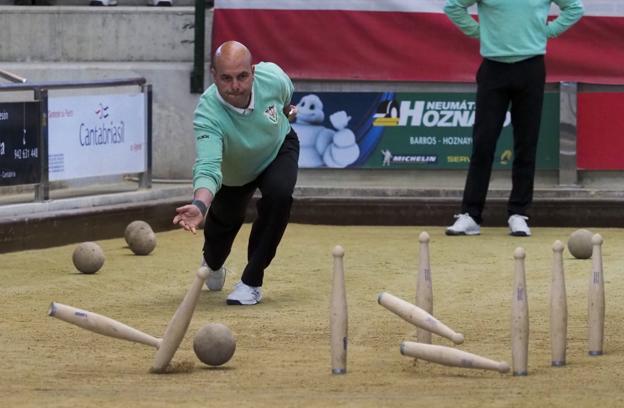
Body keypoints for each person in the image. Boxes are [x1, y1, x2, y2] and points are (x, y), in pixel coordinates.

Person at [173, 41, 299, 305]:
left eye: (242, 76)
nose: (236, 86)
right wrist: (200, 205)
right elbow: (208, 166)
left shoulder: (273, 76)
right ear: (214, 76)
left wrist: (288, 111)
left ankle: (251, 282)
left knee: (279, 196)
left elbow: (286, 97)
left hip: (277, 149)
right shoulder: (207, 112)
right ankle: (214, 261)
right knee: (223, 228)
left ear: (253, 71)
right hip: (235, 173)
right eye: (226, 78)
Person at [443, 0, 583, 237]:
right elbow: (453, 7)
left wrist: (548, 31)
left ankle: (518, 213)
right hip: (493, 68)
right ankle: (470, 215)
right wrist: (481, 32)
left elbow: (575, 8)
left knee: (526, 143)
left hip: (531, 68)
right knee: (483, 143)